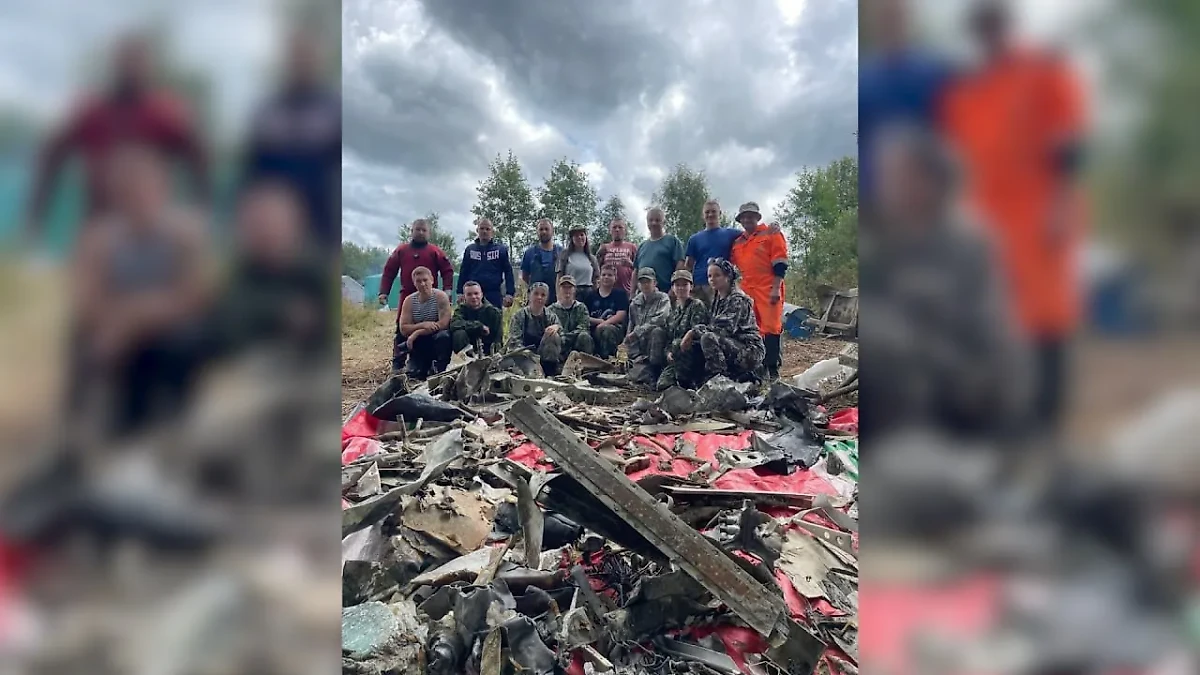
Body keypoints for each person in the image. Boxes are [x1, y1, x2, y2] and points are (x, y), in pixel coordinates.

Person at [938, 0, 1087, 435]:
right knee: (990, 317)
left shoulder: (1044, 72)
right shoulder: (965, 93)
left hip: (1039, 214)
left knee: (1045, 313)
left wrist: (1060, 204)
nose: (989, 34)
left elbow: (1068, 146)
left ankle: (1047, 420)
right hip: (982, 221)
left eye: (995, 24)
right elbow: (952, 163)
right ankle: (1001, 417)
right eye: (982, 26)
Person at [860, 122, 1026, 441]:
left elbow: (991, 341)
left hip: (963, 393)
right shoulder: (889, 242)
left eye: (901, 177)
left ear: (933, 182)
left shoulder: (967, 243)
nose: (890, 188)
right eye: (888, 178)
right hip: (911, 390)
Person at [70, 142, 214, 439]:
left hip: (165, 328)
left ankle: (176, 422)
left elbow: (193, 297)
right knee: (83, 340)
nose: (137, 198)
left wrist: (134, 318)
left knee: (188, 338)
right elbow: (89, 300)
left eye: (144, 187)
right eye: (127, 190)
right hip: (114, 329)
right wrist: (116, 323)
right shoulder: (99, 238)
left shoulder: (185, 233)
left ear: (163, 189)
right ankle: (83, 431)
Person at [25, 33, 209, 241]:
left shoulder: (165, 112)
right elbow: (52, 155)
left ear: (149, 66)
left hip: (151, 226)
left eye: (137, 62)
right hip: (100, 219)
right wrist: (35, 218)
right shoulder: (91, 111)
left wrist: (201, 210)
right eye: (125, 61)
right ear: (115, 64)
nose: (131, 69)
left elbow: (198, 156)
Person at [242, 25, 341, 252]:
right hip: (272, 225)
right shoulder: (268, 111)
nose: (301, 62)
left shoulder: (333, 111)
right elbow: (251, 172)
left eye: (307, 55)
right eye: (295, 55)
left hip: (321, 224)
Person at [216, 179, 330, 357]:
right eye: (258, 223)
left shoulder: (309, 270)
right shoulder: (239, 269)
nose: (267, 231)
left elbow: (313, 323)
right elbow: (229, 319)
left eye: (274, 222)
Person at [859, 0, 955, 208]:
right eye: (884, 19)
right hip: (878, 198)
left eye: (896, 18)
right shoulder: (865, 79)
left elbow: (951, 131)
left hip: (930, 195)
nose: (890, 25)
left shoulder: (934, 73)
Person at [730, 201, 789, 380]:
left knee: (771, 327)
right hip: (748, 289)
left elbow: (780, 262)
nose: (747, 219)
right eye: (744, 217)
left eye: (751, 216)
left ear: (757, 217)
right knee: (753, 328)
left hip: (769, 286)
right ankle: (758, 367)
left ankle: (773, 369)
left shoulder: (771, 233)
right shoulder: (738, 242)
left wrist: (776, 288)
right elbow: (732, 266)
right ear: (740, 220)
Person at [683, 200, 782, 305]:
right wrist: (687, 284)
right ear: (703, 215)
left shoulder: (731, 234)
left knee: (718, 316)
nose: (710, 214)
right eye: (707, 212)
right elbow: (688, 265)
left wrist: (772, 227)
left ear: (719, 213)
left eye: (713, 211)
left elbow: (752, 233)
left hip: (721, 285)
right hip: (699, 285)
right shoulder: (694, 239)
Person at [695, 259, 766, 382]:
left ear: (728, 277)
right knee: (697, 343)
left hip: (750, 350)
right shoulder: (718, 298)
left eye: (717, 275)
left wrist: (693, 331)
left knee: (708, 338)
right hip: (734, 344)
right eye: (709, 276)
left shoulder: (737, 299)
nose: (712, 279)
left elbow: (721, 329)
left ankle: (720, 381)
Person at [379, 217, 455, 309]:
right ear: (411, 231)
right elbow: (389, 271)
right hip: (407, 295)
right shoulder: (401, 250)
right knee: (402, 322)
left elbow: (447, 271)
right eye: (418, 229)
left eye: (424, 230)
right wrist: (384, 292)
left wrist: (447, 292)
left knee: (430, 322)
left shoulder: (435, 251)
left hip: (430, 295)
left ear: (429, 233)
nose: (421, 232)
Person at [656, 270, 712, 391]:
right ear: (673, 287)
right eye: (677, 285)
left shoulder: (697, 305)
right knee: (662, 385)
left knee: (677, 343)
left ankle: (689, 382)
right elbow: (668, 338)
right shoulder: (674, 312)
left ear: (691, 287)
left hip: (694, 356)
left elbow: (699, 334)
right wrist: (668, 352)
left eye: (684, 285)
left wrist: (678, 344)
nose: (681, 288)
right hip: (677, 357)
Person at [396, 267, 452, 378]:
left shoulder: (441, 297)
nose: (422, 284)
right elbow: (403, 328)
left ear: (432, 279)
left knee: (444, 336)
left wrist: (417, 332)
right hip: (418, 343)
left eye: (425, 280)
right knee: (415, 375)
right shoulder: (409, 301)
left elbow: (443, 324)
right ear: (414, 283)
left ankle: (440, 367)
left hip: (434, 339)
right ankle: (400, 364)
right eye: (418, 281)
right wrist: (423, 325)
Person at [624, 267, 671, 382]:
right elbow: (631, 326)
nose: (645, 285)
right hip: (640, 347)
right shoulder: (635, 303)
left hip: (658, 345)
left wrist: (638, 331)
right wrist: (626, 345)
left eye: (648, 281)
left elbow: (661, 319)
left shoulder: (663, 298)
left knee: (657, 331)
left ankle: (656, 371)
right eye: (642, 282)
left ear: (655, 283)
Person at [505, 282, 563, 374]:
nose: (539, 297)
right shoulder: (519, 316)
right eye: (536, 293)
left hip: (545, 358)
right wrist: (531, 357)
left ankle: (551, 372)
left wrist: (556, 328)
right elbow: (514, 342)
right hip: (525, 356)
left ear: (547, 298)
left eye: (543, 295)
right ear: (529, 295)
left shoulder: (552, 317)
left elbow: (562, 341)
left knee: (553, 335)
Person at [458, 218, 515, 309]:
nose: (484, 231)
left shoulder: (501, 250)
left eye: (487, 229)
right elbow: (463, 271)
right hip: (473, 294)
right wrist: (460, 292)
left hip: (493, 294)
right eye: (482, 228)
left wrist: (510, 293)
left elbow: (508, 272)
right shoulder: (470, 249)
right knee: (472, 322)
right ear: (477, 230)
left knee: (494, 320)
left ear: (492, 232)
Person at [547, 275, 594, 373]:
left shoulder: (581, 307)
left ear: (574, 289)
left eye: (570, 287)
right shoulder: (551, 310)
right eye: (564, 287)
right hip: (559, 345)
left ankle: (586, 369)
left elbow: (583, 326)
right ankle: (551, 369)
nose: (567, 290)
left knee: (585, 336)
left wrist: (565, 336)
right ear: (559, 289)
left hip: (576, 342)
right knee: (551, 336)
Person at [635, 207, 685, 295]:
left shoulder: (672, 241)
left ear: (663, 223)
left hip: (666, 294)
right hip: (643, 296)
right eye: (651, 220)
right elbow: (635, 271)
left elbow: (680, 266)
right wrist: (632, 294)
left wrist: (674, 289)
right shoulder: (642, 246)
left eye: (657, 220)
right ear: (647, 222)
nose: (654, 223)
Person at [450, 281, 504, 356]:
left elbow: (498, 339)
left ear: (481, 294)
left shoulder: (494, 312)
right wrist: (478, 326)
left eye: (476, 293)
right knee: (459, 333)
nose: (473, 297)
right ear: (464, 296)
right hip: (466, 352)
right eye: (469, 294)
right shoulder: (461, 310)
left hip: (488, 353)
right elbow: (454, 324)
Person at [586, 265, 629, 359]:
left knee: (606, 330)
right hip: (594, 329)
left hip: (614, 330)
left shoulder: (620, 294)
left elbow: (621, 315)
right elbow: (585, 316)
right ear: (599, 277)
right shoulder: (591, 296)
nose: (606, 277)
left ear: (615, 278)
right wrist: (599, 322)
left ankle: (609, 359)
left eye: (610, 275)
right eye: (603, 274)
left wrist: (604, 324)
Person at [520, 218, 563, 304]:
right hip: (535, 301)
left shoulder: (561, 252)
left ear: (552, 231)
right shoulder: (529, 253)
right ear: (537, 232)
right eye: (541, 229)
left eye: (546, 229)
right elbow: (524, 277)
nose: (544, 232)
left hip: (557, 300)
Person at [557, 226, 600, 303]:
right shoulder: (565, 255)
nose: (579, 237)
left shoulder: (592, 258)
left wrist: (597, 297)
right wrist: (559, 297)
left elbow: (595, 280)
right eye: (576, 236)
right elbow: (559, 277)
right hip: (571, 293)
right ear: (572, 239)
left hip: (589, 294)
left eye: (582, 235)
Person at [596, 218, 639, 295]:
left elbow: (639, 269)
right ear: (610, 230)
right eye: (614, 227)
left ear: (625, 230)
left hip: (626, 292)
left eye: (620, 227)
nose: (617, 230)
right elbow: (597, 269)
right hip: (607, 292)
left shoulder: (632, 247)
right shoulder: (604, 247)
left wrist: (630, 264)